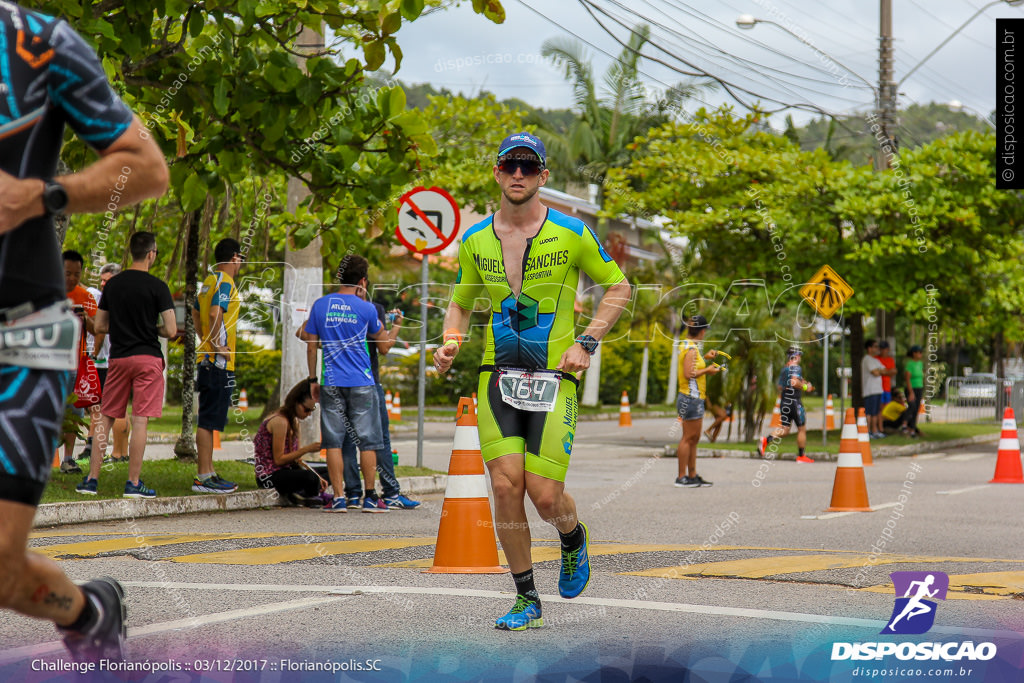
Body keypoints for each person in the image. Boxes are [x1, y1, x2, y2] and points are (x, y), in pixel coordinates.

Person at [0, 1, 167, 662]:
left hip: (21, 337)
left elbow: (146, 169)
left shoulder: (38, 42)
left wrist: (39, 195)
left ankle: (89, 612)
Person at [433, 132, 630, 631]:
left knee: (544, 497)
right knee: (504, 486)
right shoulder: (475, 240)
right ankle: (527, 598)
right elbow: (460, 301)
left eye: (528, 167)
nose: (517, 174)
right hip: (496, 378)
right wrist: (450, 339)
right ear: (497, 173)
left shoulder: (572, 233)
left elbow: (619, 287)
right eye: (509, 166)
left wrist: (586, 343)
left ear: (542, 176)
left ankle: (571, 537)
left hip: (553, 377)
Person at [78, 232, 176, 499]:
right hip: (148, 359)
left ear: (131, 252)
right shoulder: (158, 287)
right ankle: (133, 483)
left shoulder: (113, 286)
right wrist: (150, 328)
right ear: (152, 254)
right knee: (140, 420)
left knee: (105, 418)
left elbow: (98, 326)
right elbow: (170, 329)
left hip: (119, 358)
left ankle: (91, 480)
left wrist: (121, 328)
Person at [303, 254, 390, 513]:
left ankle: (339, 498)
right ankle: (370, 497)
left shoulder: (321, 305)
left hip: (330, 381)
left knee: (333, 442)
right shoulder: (367, 308)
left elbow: (310, 345)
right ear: (362, 280)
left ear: (339, 277)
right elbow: (383, 343)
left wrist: (312, 380)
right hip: (363, 382)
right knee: (368, 441)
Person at [339, 296, 421, 510]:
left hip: (340, 381)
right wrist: (396, 325)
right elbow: (384, 347)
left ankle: (353, 494)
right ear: (363, 281)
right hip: (368, 382)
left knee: (347, 440)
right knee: (378, 439)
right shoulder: (372, 308)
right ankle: (390, 492)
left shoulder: (334, 308)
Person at [191, 237, 244, 493]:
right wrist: (215, 345)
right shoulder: (226, 283)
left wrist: (205, 339)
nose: (241, 263)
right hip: (217, 362)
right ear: (234, 257)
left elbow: (194, 311)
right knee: (208, 420)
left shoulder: (208, 282)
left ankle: (209, 472)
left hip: (209, 359)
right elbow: (214, 313)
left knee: (210, 419)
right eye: (241, 258)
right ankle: (202, 476)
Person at [253, 379, 327, 506]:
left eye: (311, 411)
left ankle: (305, 492)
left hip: (287, 470)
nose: (308, 414)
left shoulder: (294, 421)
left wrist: (317, 475)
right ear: (296, 402)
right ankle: (307, 494)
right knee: (310, 477)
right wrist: (307, 449)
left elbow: (295, 459)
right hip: (270, 475)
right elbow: (279, 460)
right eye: (306, 409)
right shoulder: (280, 421)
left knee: (329, 470)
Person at [85, 264, 130, 463]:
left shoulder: (110, 298)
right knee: (116, 407)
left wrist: (93, 356)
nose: (103, 284)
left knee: (106, 408)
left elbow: (100, 331)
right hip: (121, 357)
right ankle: (121, 453)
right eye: (102, 280)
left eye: (107, 280)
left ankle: (110, 453)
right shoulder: (126, 296)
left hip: (109, 360)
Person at [59, 249, 98, 474]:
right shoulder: (47, 294)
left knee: (74, 413)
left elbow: (96, 329)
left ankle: (68, 459)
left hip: (76, 365)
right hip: (51, 365)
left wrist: (86, 319)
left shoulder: (85, 296)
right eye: (67, 273)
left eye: (76, 273)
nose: (72, 278)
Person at [674, 315, 720, 487]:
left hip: (693, 397)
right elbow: (688, 373)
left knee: (694, 438)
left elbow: (693, 367)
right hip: (690, 397)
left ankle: (692, 474)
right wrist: (708, 370)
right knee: (688, 438)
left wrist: (706, 358)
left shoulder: (689, 346)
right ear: (701, 331)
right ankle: (681, 477)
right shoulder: (691, 349)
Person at [758, 347, 815, 463]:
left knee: (785, 429)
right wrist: (805, 387)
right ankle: (801, 456)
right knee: (801, 428)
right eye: (799, 356)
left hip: (784, 401)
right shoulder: (796, 367)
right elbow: (794, 381)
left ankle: (766, 440)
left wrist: (804, 383)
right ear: (796, 356)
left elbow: (780, 386)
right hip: (794, 401)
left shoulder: (784, 369)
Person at [862, 339, 886, 438]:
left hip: (877, 390)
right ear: (869, 348)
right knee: (869, 412)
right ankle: (867, 431)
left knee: (875, 412)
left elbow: (886, 371)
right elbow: (875, 372)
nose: (877, 349)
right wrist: (879, 371)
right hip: (870, 390)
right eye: (875, 346)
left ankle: (875, 431)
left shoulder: (876, 360)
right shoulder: (867, 359)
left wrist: (879, 370)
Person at [903, 345, 925, 438]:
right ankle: (904, 424)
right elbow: (907, 379)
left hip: (919, 387)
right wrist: (911, 392)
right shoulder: (910, 364)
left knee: (916, 409)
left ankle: (912, 430)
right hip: (911, 388)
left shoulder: (920, 363)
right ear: (914, 353)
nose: (920, 354)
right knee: (912, 406)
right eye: (919, 352)